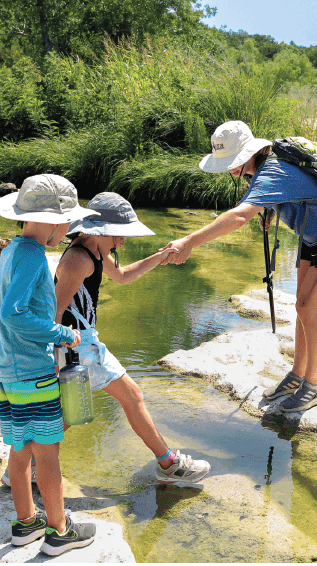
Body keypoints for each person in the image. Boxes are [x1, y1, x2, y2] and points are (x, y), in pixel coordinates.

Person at [163, 120, 317, 414]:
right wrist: (270, 209)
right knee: (301, 307)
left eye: (230, 162)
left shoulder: (272, 171)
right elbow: (295, 190)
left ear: (246, 156)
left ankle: (313, 385)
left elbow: (240, 216)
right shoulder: (267, 166)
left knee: (308, 308)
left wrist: (190, 241)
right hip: (312, 235)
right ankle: (296, 376)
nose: (228, 168)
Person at [31, 193, 213, 486]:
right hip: (77, 346)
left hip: (81, 343)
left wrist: (160, 256)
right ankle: (169, 464)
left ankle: (27, 467)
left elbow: (124, 276)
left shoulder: (95, 251)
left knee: (66, 413)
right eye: (121, 234)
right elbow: (55, 311)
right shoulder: (78, 258)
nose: (124, 241)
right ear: (102, 230)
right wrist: (52, 356)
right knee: (132, 396)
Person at [0, 174, 97, 555]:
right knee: (47, 452)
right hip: (34, 373)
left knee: (20, 447)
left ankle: (26, 523)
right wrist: (61, 334)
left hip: (9, 372)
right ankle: (59, 530)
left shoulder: (8, 252)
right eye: (66, 222)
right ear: (52, 221)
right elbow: (13, 312)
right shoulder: (33, 255)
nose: (68, 229)